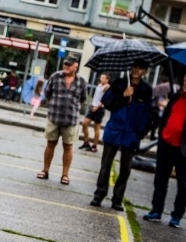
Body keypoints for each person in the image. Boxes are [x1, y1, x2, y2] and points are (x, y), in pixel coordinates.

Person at [90, 60, 152, 210]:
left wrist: (141, 131)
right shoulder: (120, 83)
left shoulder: (146, 89)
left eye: (141, 68)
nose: (137, 70)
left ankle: (117, 198)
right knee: (106, 165)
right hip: (115, 130)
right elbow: (107, 102)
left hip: (131, 134)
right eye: (135, 67)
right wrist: (123, 95)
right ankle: (99, 194)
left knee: (126, 168)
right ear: (131, 68)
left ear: (145, 71)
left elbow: (147, 113)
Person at [143, 73, 186, 228]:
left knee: (183, 184)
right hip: (166, 144)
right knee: (160, 179)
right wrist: (161, 135)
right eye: (185, 79)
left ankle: (176, 216)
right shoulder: (175, 97)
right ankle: (156, 211)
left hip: (183, 150)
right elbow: (166, 116)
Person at [37, 56, 87, 185]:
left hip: (71, 120)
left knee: (68, 147)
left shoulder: (81, 81)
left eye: (69, 65)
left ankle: (65, 175)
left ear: (76, 66)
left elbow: (83, 99)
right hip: (54, 117)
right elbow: (47, 94)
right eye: (65, 64)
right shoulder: (55, 77)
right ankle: (45, 170)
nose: (66, 67)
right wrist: (55, 105)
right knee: (50, 144)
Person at [79, 73, 110, 153]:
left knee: (96, 128)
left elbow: (106, 98)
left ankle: (94, 146)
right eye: (101, 77)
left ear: (107, 80)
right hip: (93, 107)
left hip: (99, 109)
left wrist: (98, 106)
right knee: (84, 123)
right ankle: (86, 142)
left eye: (103, 78)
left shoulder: (107, 87)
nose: (101, 79)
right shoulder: (99, 85)